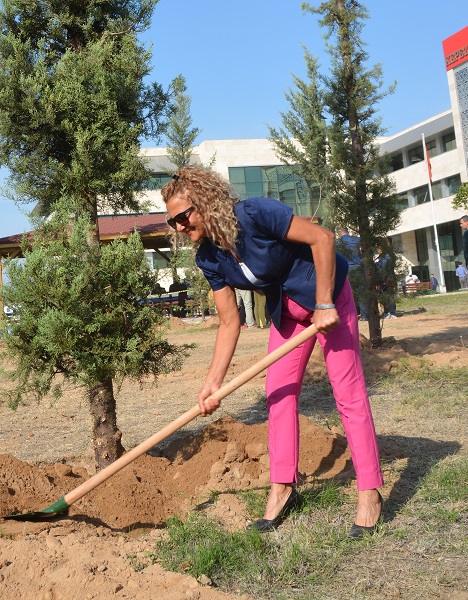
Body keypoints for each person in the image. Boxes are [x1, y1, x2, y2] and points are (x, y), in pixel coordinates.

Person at [161, 167, 383, 538]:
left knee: (348, 394)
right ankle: (282, 488)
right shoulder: (209, 258)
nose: (180, 226)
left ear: (204, 202)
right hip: (289, 313)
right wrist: (211, 384)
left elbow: (323, 238)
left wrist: (326, 302)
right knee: (278, 393)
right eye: (173, 222)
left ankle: (370, 492)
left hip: (328, 296)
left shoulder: (254, 214)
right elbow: (230, 322)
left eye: (183, 216)